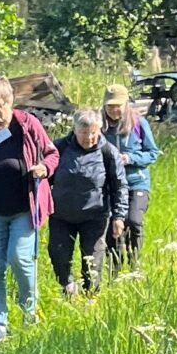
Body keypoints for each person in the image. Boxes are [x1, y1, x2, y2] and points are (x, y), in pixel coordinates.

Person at [0, 76, 57, 344]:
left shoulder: (28, 124)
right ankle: (0, 323)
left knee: (19, 259)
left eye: (3, 104)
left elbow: (51, 153)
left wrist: (44, 168)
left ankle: (29, 315)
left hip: (24, 207)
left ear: (11, 100)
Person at [48, 103, 128, 296]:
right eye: (84, 132)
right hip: (61, 215)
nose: (89, 137)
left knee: (92, 260)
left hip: (95, 216)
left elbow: (119, 185)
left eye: (93, 132)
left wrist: (119, 217)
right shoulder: (58, 148)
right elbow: (45, 179)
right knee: (58, 255)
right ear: (74, 130)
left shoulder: (107, 152)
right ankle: (68, 286)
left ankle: (90, 296)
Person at [101, 84, 160, 273]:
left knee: (133, 221)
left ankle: (134, 266)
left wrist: (130, 158)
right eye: (110, 106)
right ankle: (114, 270)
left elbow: (153, 153)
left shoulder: (138, 123)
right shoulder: (100, 125)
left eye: (118, 105)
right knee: (113, 225)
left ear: (126, 104)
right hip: (110, 184)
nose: (113, 110)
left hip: (136, 181)